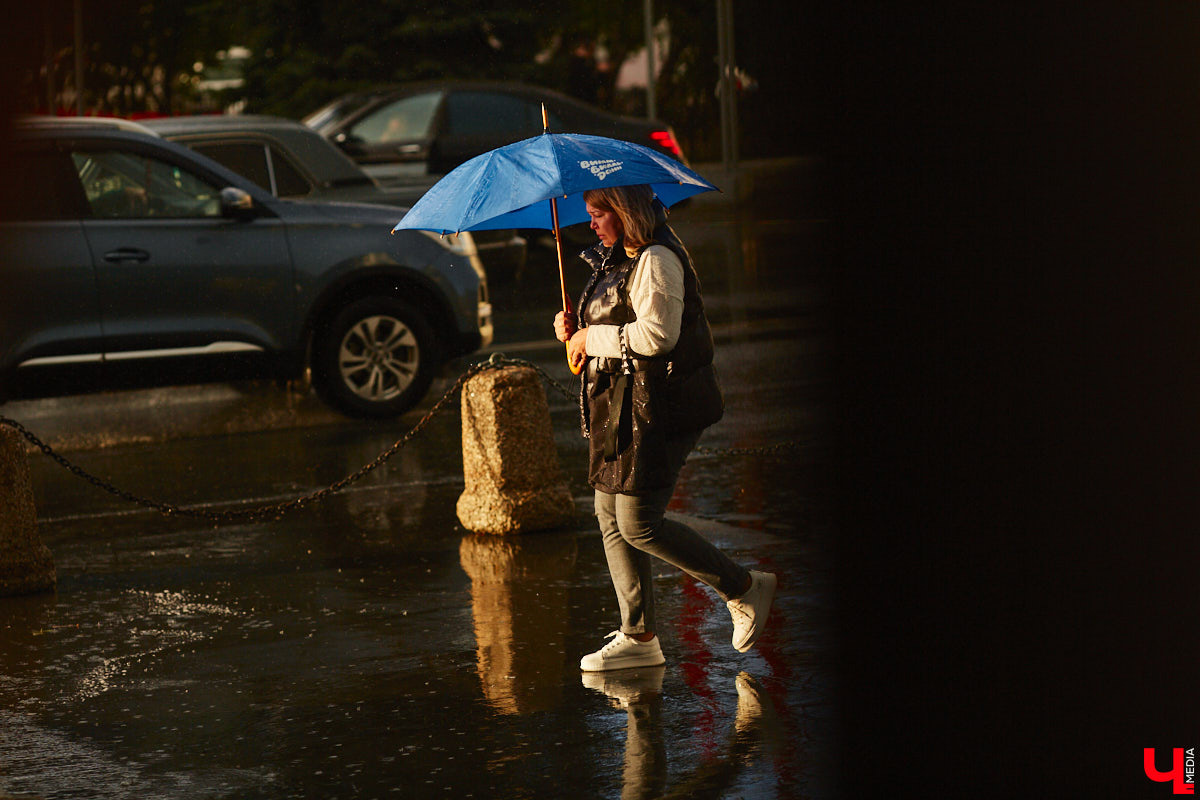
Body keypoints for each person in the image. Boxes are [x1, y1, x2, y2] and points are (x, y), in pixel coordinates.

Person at [554, 183, 778, 672]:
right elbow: (609, 331)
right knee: (608, 513)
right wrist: (574, 333)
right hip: (623, 406)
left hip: (664, 407)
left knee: (638, 522)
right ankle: (638, 636)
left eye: (598, 213)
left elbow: (657, 335)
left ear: (625, 211)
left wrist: (592, 336)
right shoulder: (617, 256)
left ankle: (743, 587)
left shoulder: (657, 258)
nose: (590, 223)